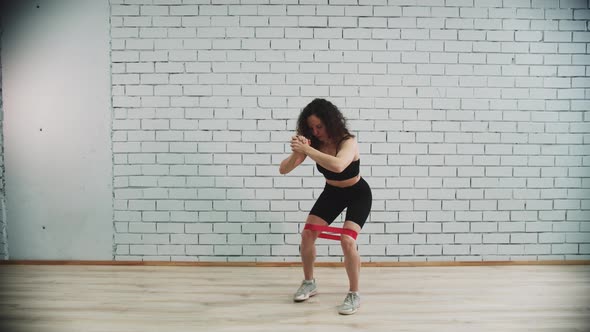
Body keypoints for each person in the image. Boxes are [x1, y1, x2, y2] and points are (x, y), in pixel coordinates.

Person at [279, 98, 372, 315]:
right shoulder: (313, 144)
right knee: (307, 235)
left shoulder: (348, 141)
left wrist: (307, 150)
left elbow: (338, 165)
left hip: (358, 193)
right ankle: (309, 282)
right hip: (332, 193)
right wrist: (297, 151)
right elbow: (283, 170)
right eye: (311, 128)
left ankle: (354, 293)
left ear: (330, 122)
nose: (315, 131)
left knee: (347, 240)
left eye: (319, 126)